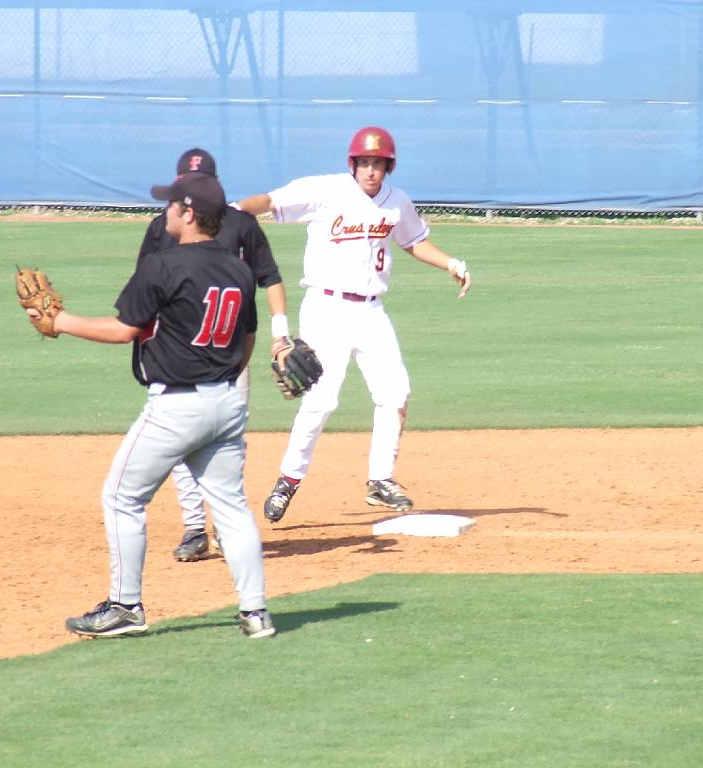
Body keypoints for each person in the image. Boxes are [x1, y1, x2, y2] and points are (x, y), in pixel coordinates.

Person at [29, 172, 275, 639]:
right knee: (231, 506)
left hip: (177, 408)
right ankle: (256, 612)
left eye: (170, 207)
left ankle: (125, 606)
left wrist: (60, 321)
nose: (164, 213)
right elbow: (247, 338)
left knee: (122, 497)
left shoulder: (163, 266)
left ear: (187, 214)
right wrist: (223, 376)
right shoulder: (239, 270)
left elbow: (124, 330)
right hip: (227, 401)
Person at [237, 126, 471, 523]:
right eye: (364, 162)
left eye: (378, 164)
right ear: (353, 164)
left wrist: (450, 262)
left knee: (396, 394)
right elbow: (271, 201)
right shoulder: (324, 190)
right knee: (321, 399)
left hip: (371, 311)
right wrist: (229, 214)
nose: (370, 171)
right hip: (325, 308)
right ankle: (289, 480)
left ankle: (380, 480)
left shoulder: (397, 203)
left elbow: (413, 241)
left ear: (388, 167)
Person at [137, 148, 288, 563]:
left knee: (227, 445)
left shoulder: (242, 225)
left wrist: (282, 335)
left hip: (233, 351)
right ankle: (195, 528)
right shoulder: (159, 227)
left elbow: (270, 277)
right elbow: (145, 288)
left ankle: (224, 527)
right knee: (183, 448)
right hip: (179, 353)